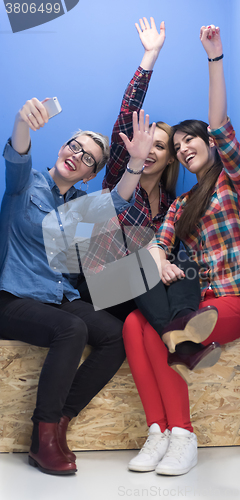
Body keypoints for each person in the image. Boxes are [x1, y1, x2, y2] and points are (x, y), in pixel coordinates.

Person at [122, 24, 240, 476]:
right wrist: (160, 259)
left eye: (189, 141)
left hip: (231, 299)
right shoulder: (181, 203)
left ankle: (183, 435)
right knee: (133, 322)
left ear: (207, 144)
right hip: (195, 300)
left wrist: (214, 57)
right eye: (176, 147)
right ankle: (158, 431)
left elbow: (219, 124)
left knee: (174, 331)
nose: (182, 150)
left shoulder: (231, 181)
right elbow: (158, 243)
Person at [0, 97, 156, 475]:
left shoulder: (83, 204)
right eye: (75, 147)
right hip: (13, 298)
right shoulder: (27, 186)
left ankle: (60, 420)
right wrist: (24, 121)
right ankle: (44, 439)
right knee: (72, 329)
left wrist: (136, 162)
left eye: (89, 159)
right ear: (61, 148)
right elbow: (17, 154)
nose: (77, 156)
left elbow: (119, 202)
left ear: (89, 175)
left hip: (58, 298)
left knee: (116, 334)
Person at [79, 17, 181, 321]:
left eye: (159, 146)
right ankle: (172, 332)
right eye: (146, 142)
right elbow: (128, 111)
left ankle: (180, 334)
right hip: (97, 288)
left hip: (140, 295)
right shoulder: (120, 179)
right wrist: (150, 56)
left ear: (171, 158)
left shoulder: (170, 204)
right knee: (146, 264)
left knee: (179, 267)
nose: (149, 151)